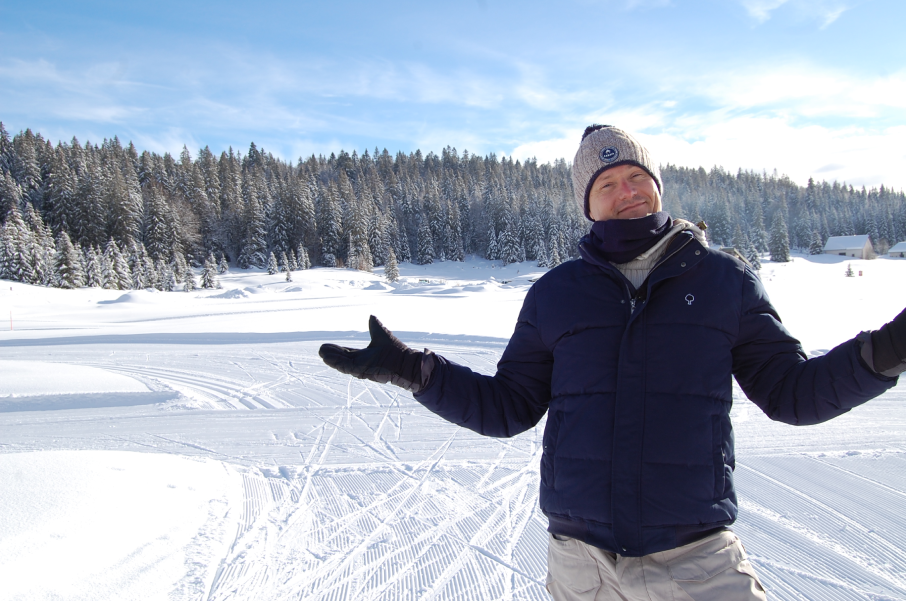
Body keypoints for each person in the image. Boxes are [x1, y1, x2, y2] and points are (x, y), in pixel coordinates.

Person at [319, 125, 906, 600]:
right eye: (608, 183)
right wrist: (415, 371)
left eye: (636, 176)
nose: (627, 191)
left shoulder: (725, 282)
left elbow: (793, 394)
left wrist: (888, 350)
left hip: (696, 560)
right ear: (587, 204)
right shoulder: (555, 294)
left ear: (656, 185)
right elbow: (508, 408)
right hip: (583, 569)